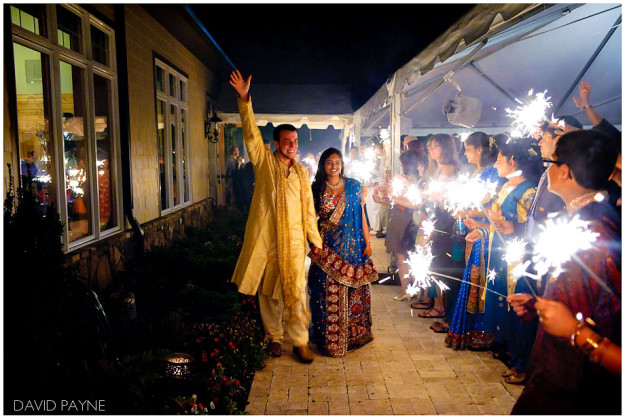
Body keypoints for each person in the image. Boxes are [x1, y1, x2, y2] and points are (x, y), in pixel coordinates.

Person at [509, 129, 621, 414]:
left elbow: (608, 312)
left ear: (564, 172)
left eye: (551, 163)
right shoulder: (584, 219)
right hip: (558, 367)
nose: (547, 170)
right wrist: (539, 305)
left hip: (574, 384)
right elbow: (582, 296)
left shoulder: (594, 230)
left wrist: (574, 330)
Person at [228, 70, 323, 364]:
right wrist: (245, 99)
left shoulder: (302, 172)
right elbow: (251, 135)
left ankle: (300, 342)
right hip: (269, 239)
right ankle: (274, 337)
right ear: (276, 143)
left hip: (294, 242)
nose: (292, 145)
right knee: (268, 292)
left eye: (295, 140)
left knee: (296, 291)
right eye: (287, 140)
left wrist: (315, 240)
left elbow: (309, 209)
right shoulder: (264, 163)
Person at [466, 139, 542, 382]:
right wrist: (481, 229)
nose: (496, 164)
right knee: (502, 305)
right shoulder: (506, 187)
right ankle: (512, 354)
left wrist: (513, 228)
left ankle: (523, 364)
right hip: (498, 257)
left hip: (516, 261)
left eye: (500, 159)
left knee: (517, 308)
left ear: (513, 161)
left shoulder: (529, 192)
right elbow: (497, 224)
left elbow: (533, 229)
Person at [308, 148, 377, 357]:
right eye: (329, 162)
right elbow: (310, 219)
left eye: (337, 162)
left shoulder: (354, 187)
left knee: (352, 291)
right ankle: (328, 340)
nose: (334, 166)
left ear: (342, 164)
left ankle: (353, 337)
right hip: (325, 249)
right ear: (323, 165)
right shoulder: (316, 189)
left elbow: (361, 216)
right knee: (322, 292)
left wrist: (367, 242)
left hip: (352, 250)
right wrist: (312, 242)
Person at [444, 132, 506, 346]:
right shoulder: (476, 172)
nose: (465, 153)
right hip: (471, 228)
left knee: (478, 281)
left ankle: (480, 329)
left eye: (468, 149)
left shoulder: (492, 174)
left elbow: (492, 207)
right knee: (470, 278)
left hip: (483, 232)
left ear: (480, 149)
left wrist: (467, 211)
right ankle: (470, 329)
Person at [418, 134, 462, 320]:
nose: (431, 150)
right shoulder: (436, 168)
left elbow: (440, 196)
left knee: (439, 263)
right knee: (434, 262)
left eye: (435, 146)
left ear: (445, 148)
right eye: (429, 146)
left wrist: (423, 194)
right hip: (435, 217)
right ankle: (437, 304)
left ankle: (441, 307)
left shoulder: (448, 168)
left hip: (444, 220)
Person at [381, 150, 427, 301]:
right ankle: (410, 289)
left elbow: (416, 204)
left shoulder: (412, 181)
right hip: (400, 217)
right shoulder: (411, 180)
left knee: (403, 255)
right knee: (404, 255)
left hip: (404, 218)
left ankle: (408, 289)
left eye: (402, 163)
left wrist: (394, 198)